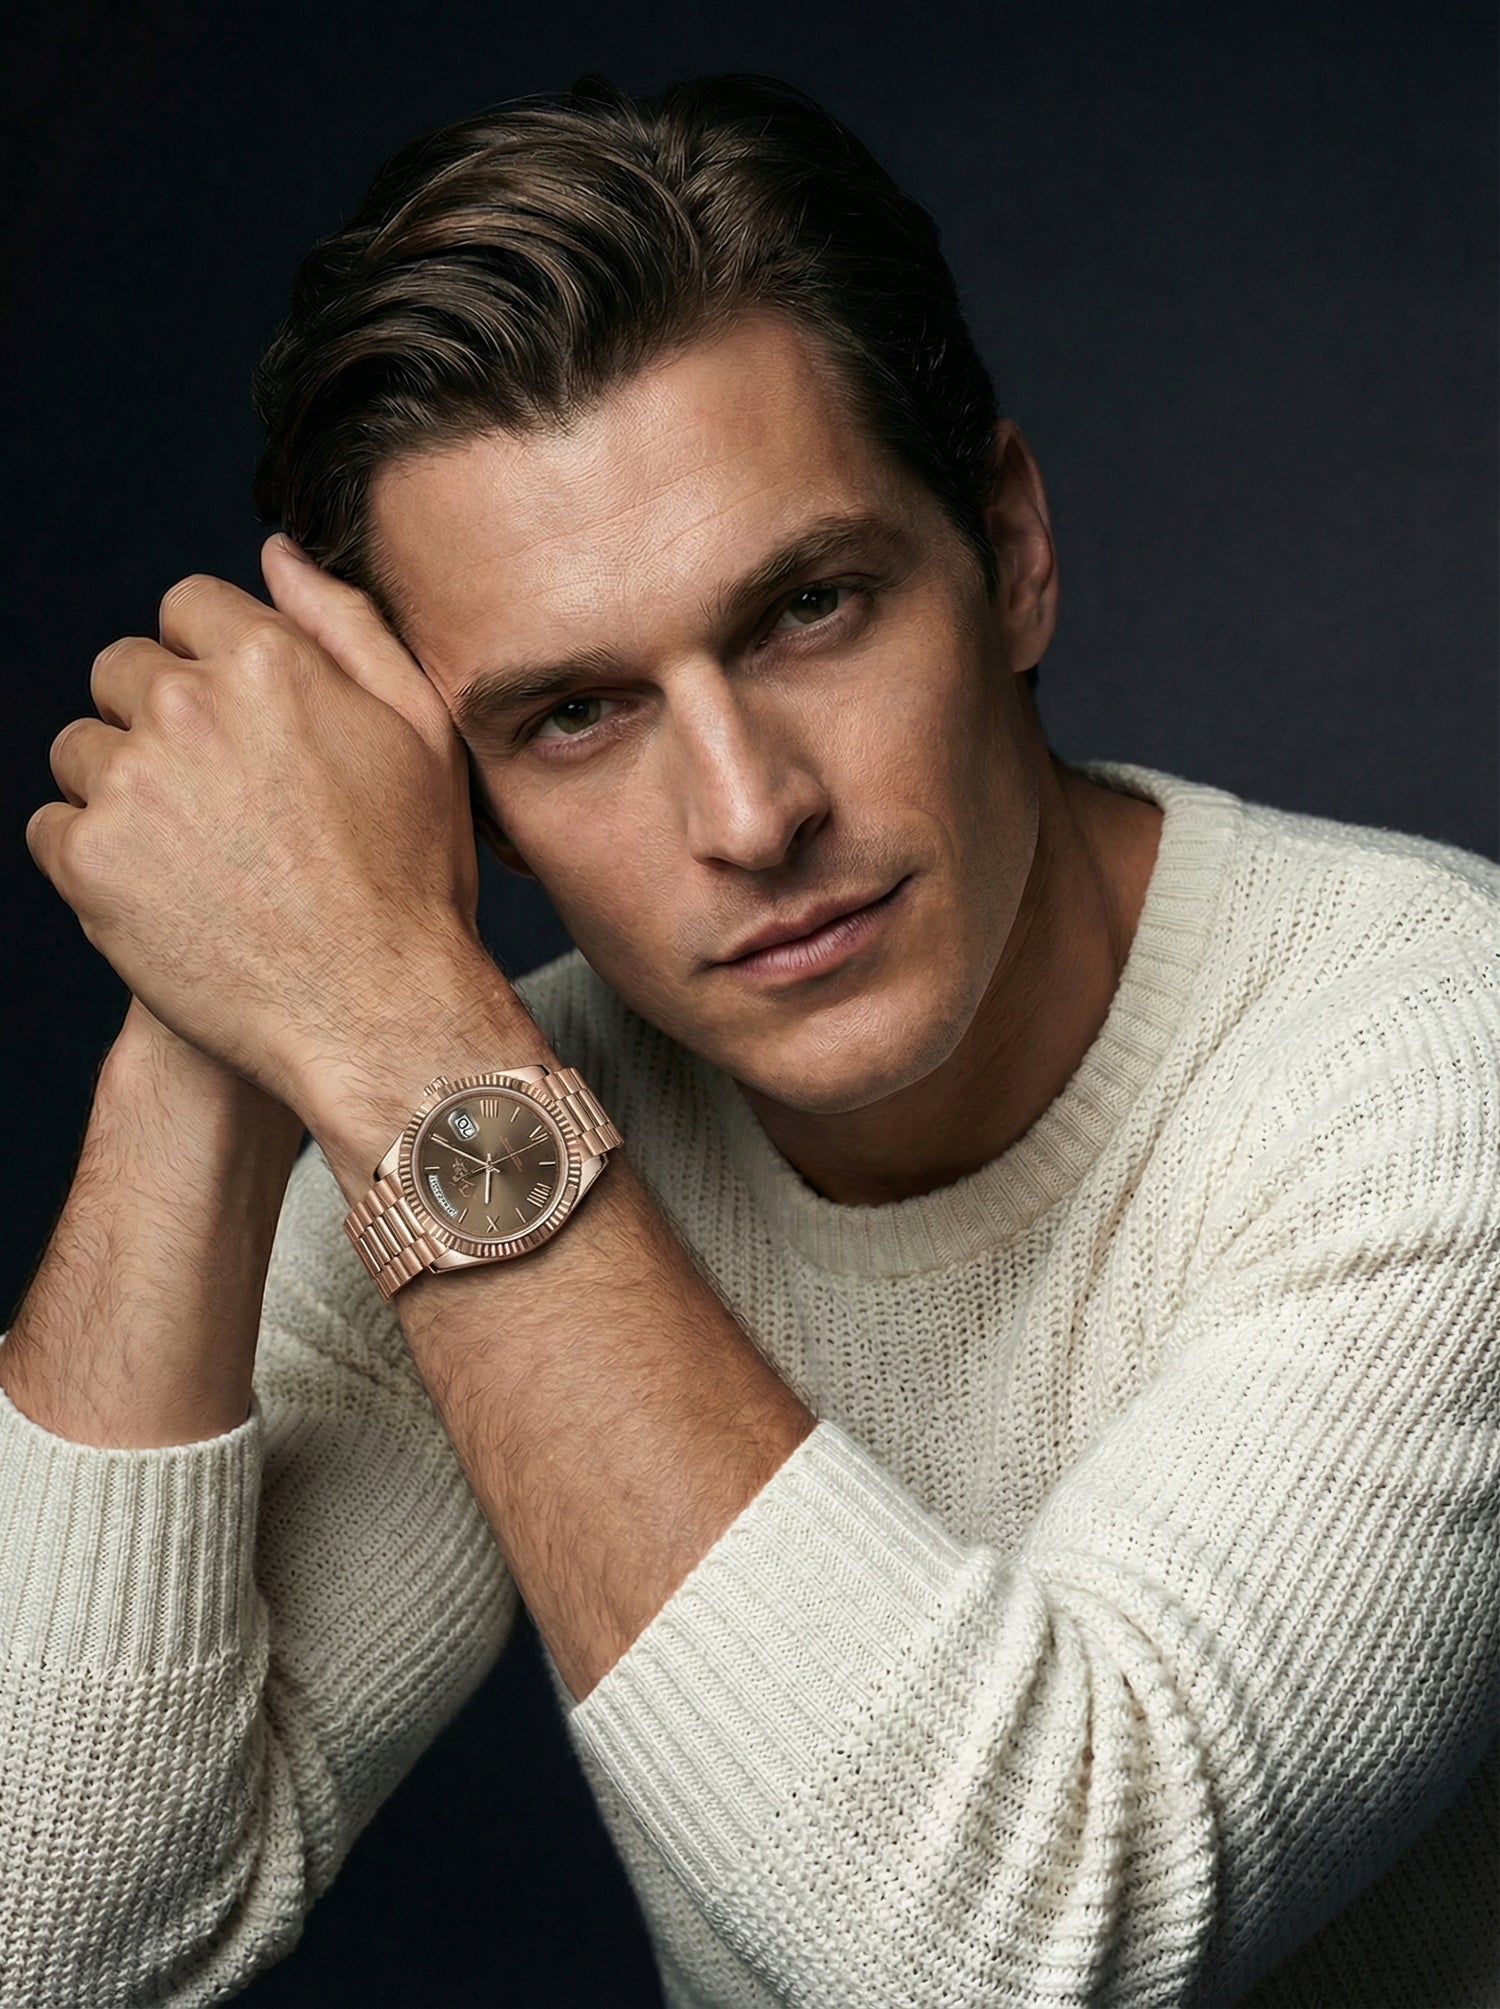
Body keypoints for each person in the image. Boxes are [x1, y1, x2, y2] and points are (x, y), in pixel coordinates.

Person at [1, 69, 1495, 2008]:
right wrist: (212, 1002)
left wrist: (376, 1025)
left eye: (809, 608)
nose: (747, 810)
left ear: (1010, 548)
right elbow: (47, 1932)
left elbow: (1008, 1950)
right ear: (451, 788)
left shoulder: (1434, 1058)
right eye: (573, 715)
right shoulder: (455, 1084)